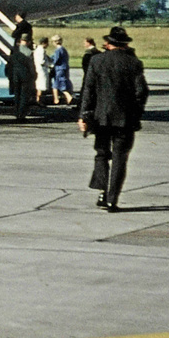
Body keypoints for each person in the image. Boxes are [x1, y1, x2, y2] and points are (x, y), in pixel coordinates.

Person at [77, 26, 149, 212]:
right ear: (124, 44)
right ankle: (112, 199)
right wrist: (135, 113)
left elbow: (88, 90)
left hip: (101, 117)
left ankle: (102, 189)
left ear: (108, 43)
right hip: (125, 119)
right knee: (120, 158)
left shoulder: (96, 61)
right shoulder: (134, 63)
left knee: (101, 154)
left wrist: (84, 114)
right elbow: (141, 92)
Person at [8, 34, 37, 121]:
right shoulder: (29, 52)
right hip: (25, 76)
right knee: (24, 95)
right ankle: (22, 113)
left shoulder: (14, 51)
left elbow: (9, 65)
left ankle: (16, 112)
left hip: (15, 76)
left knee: (17, 95)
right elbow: (31, 66)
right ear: (28, 42)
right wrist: (34, 75)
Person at [49, 34, 73, 106]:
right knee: (60, 83)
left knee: (58, 84)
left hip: (59, 69)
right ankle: (58, 98)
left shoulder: (58, 50)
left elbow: (55, 60)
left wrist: (51, 64)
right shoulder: (64, 50)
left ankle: (66, 97)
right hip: (64, 68)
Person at [33, 37, 50, 106]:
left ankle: (38, 99)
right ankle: (39, 100)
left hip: (38, 69)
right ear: (44, 43)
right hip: (41, 70)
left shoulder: (37, 50)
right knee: (41, 86)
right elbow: (41, 61)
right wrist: (48, 65)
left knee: (39, 85)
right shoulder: (41, 50)